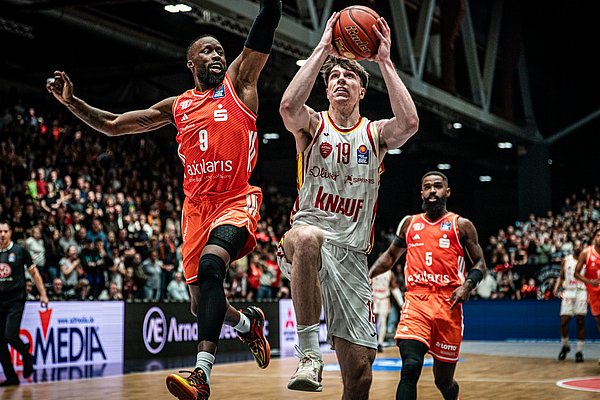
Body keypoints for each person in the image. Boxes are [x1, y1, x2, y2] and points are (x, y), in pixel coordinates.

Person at [47, 0, 281, 397]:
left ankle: (201, 375)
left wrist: (270, 4)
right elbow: (113, 125)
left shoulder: (239, 85)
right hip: (196, 210)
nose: (217, 55)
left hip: (234, 198)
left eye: (220, 51)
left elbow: (267, 23)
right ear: (191, 63)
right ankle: (247, 323)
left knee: (212, 267)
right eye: (207, 51)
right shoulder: (178, 106)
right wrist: (72, 103)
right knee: (200, 304)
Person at [277, 12, 419, 398]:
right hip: (307, 243)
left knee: (360, 375)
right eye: (334, 76)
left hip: (353, 258)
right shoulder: (313, 124)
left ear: (362, 91)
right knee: (308, 236)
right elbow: (287, 108)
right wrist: (324, 48)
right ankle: (309, 354)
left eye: (350, 76)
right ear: (326, 89)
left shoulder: (374, 134)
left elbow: (409, 124)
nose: (341, 80)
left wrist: (385, 61)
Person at [368, 172, 486, 400]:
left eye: (437, 186)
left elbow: (480, 263)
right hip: (416, 302)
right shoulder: (409, 224)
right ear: (421, 192)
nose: (432, 190)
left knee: (443, 381)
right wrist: (368, 277)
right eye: (427, 187)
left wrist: (467, 286)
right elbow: (390, 257)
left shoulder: (461, 225)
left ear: (447, 192)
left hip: (448, 304)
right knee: (410, 367)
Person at [0, 220, 49, 386]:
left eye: (5, 231)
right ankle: (11, 377)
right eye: (0, 232)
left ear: (10, 232)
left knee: (10, 335)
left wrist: (43, 294)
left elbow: (34, 273)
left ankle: (27, 356)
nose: (2, 235)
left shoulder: (20, 251)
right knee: (0, 342)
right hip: (0, 300)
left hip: (16, 299)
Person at [553, 241, 587, 362]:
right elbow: (561, 276)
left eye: (580, 245)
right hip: (569, 291)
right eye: (576, 245)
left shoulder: (586, 261)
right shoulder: (566, 260)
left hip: (581, 291)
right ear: (573, 248)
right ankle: (565, 345)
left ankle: (579, 351)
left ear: (583, 248)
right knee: (563, 322)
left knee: (580, 322)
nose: (578, 247)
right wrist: (556, 287)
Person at [574, 228, 600, 366]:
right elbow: (576, 273)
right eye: (598, 235)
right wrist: (589, 282)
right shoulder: (586, 253)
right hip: (594, 293)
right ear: (594, 237)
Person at [371, 268, 404, 352]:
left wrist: (401, 303)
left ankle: (380, 342)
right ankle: (371, 341)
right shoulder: (372, 271)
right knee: (372, 321)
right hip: (373, 298)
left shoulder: (389, 273)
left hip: (384, 298)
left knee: (383, 321)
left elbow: (394, 288)